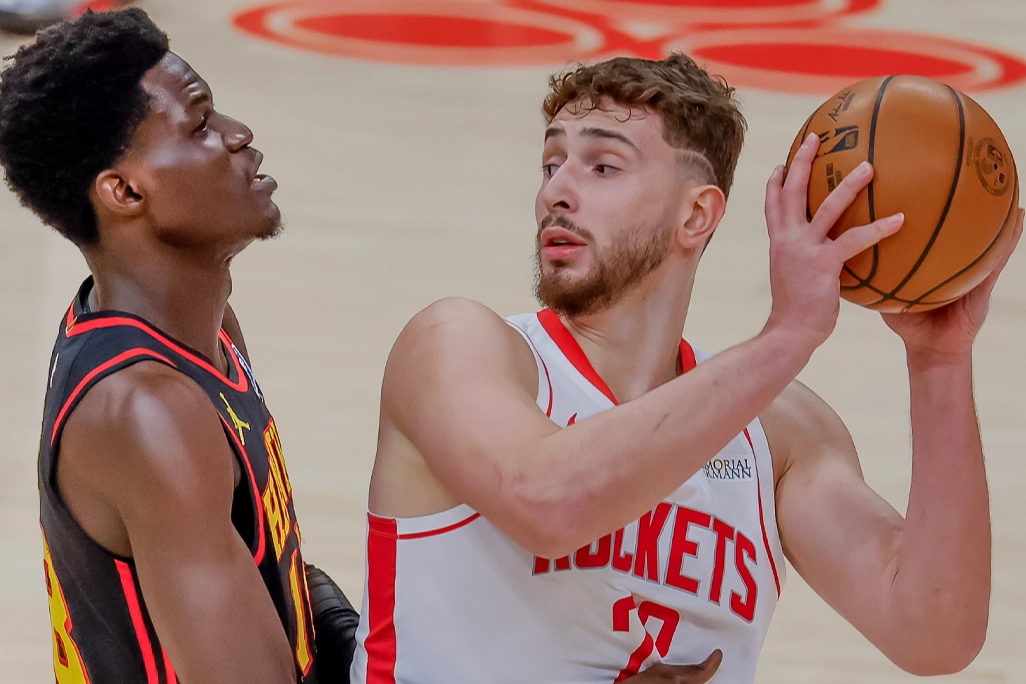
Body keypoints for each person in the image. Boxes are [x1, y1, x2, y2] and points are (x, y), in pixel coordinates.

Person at [352, 54, 1023, 683]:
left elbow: (934, 632)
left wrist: (940, 361)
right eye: (551, 163)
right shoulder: (459, 344)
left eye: (602, 167)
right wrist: (787, 335)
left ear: (696, 215)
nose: (557, 191)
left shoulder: (781, 435)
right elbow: (547, 503)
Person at [0, 9, 357, 684]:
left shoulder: (200, 330)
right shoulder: (148, 412)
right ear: (126, 190)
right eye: (200, 125)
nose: (239, 134)